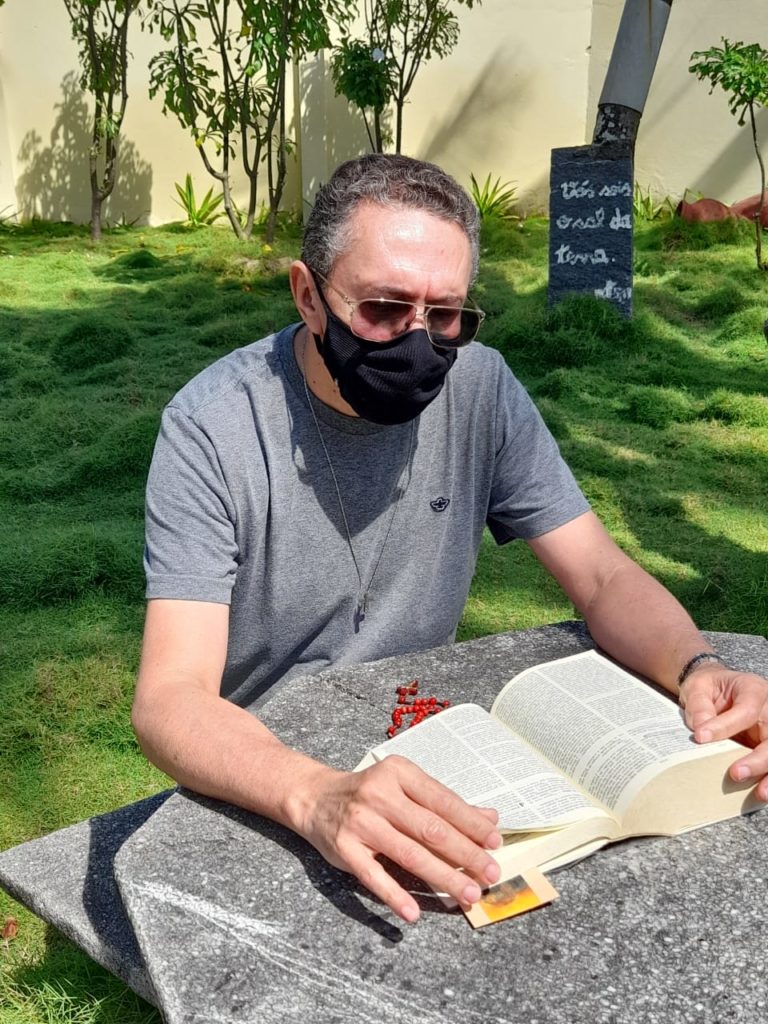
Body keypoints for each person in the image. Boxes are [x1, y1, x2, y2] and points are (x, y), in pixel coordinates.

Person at [132, 153, 768, 924]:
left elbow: (601, 575)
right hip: (268, 766)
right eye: (383, 309)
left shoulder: (480, 388)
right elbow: (170, 696)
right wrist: (315, 796)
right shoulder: (214, 427)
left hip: (422, 732)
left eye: (445, 315)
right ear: (308, 295)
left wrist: (698, 667)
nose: (418, 342)